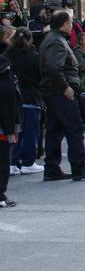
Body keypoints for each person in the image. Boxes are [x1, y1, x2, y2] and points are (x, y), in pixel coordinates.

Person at [39, 11, 85, 181]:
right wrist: (65, 87)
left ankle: (52, 168)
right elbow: (53, 67)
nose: (72, 26)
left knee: (54, 130)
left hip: (53, 91)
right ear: (64, 24)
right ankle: (79, 167)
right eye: (70, 22)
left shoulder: (55, 39)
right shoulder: (56, 41)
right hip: (59, 92)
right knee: (74, 129)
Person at [8, 27, 42, 175]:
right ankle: (28, 162)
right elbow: (41, 76)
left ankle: (12, 162)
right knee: (30, 132)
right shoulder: (34, 56)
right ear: (29, 39)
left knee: (16, 131)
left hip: (13, 99)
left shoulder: (7, 56)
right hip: (31, 97)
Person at [0, 26, 20, 207]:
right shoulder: (4, 65)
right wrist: (9, 128)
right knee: (2, 159)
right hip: (2, 123)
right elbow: (6, 98)